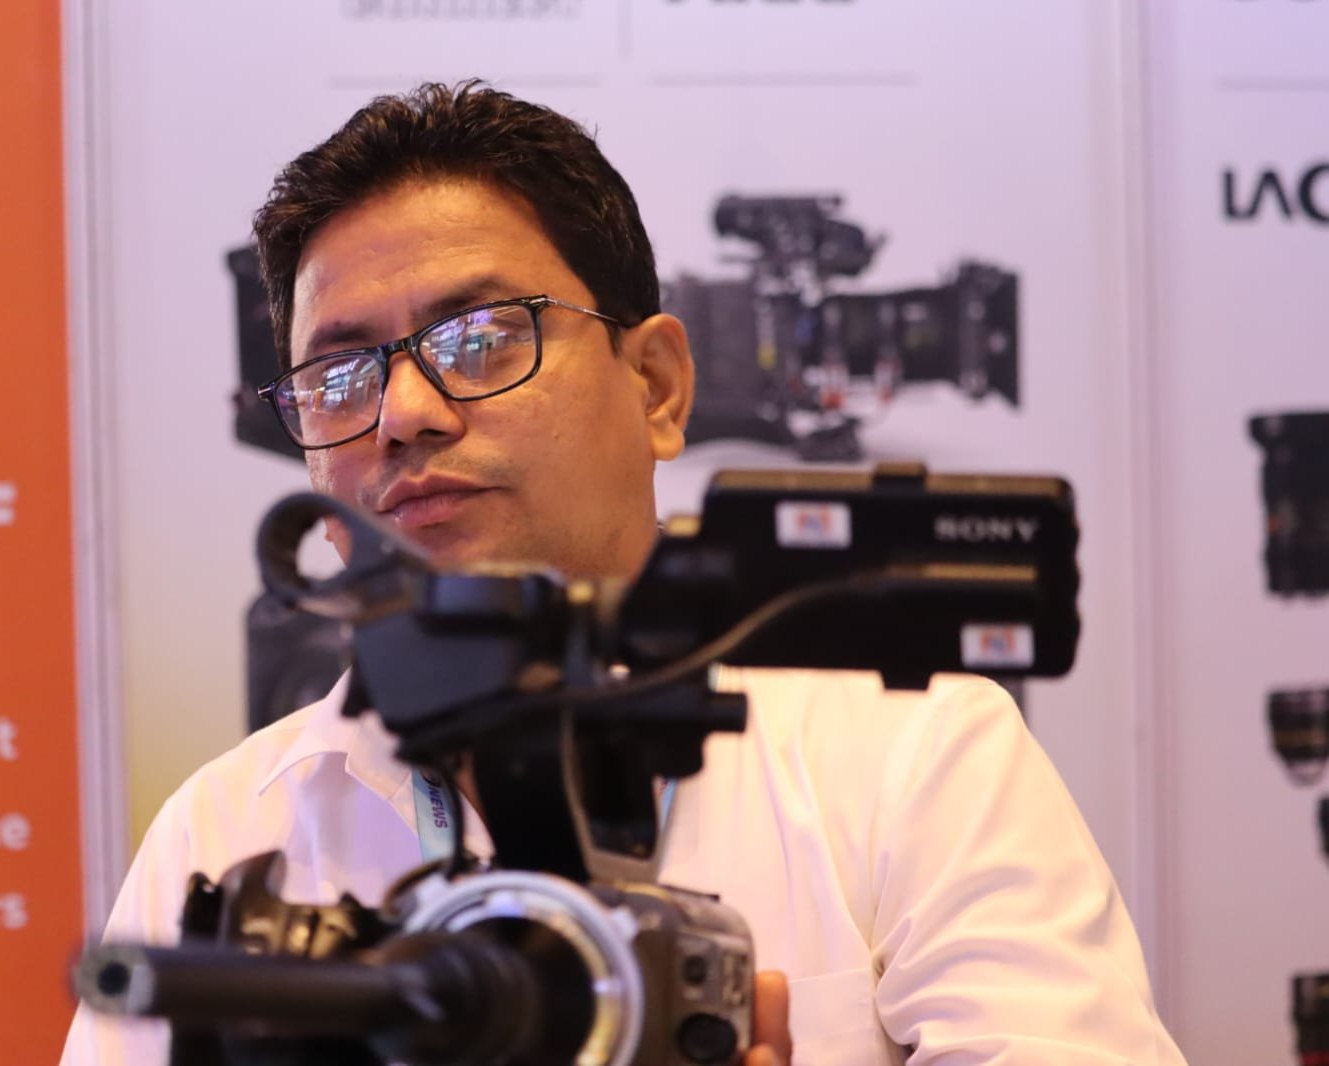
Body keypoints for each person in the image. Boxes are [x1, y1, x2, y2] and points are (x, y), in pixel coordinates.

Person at [62, 81, 1186, 1065]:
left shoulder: (911, 750)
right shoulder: (227, 834)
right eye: (340, 375)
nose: (402, 413)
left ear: (655, 385)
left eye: (478, 337)